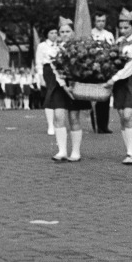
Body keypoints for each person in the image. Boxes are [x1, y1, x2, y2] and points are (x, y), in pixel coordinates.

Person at [103, 9, 132, 165]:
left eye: (126, 27)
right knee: (122, 115)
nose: (123, 31)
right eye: (121, 28)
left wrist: (114, 78)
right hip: (120, 79)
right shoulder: (118, 41)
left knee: (128, 114)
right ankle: (128, 151)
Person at [45, 18, 91, 162]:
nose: (64, 34)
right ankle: (62, 151)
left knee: (74, 118)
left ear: (73, 32)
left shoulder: (80, 47)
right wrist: (64, 86)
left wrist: (73, 84)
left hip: (75, 85)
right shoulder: (54, 49)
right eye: (62, 32)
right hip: (60, 86)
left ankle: (76, 152)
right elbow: (55, 68)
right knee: (58, 116)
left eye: (67, 31)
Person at [91, 13, 115, 134]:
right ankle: (96, 125)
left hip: (106, 68)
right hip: (93, 68)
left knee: (105, 96)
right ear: (94, 21)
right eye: (98, 20)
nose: (101, 23)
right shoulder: (90, 34)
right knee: (94, 97)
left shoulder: (109, 35)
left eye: (103, 21)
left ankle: (104, 125)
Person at [36, 28, 59, 134]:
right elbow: (38, 63)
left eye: (55, 33)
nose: (54, 35)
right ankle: (50, 125)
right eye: (51, 33)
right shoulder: (42, 46)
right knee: (49, 95)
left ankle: (58, 123)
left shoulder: (60, 44)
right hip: (48, 70)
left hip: (59, 70)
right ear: (47, 34)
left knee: (58, 96)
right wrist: (41, 78)